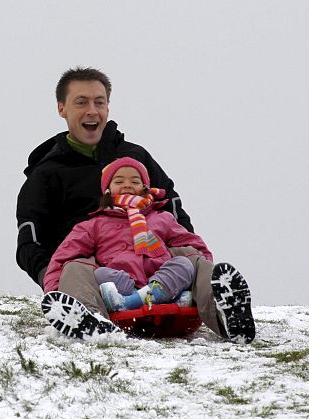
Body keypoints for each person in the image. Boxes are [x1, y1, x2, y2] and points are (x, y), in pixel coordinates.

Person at [16, 67, 254, 342]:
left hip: (156, 266)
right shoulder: (46, 174)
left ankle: (226, 317)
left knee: (193, 258)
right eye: (81, 102)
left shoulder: (136, 157)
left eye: (99, 101)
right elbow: (29, 240)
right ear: (62, 108)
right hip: (103, 276)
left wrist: (188, 252)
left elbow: (174, 215)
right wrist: (53, 284)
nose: (92, 110)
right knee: (74, 266)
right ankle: (88, 320)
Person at [43, 157, 212, 312]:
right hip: (121, 285)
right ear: (107, 190)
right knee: (91, 271)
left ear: (145, 188)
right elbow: (63, 257)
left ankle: (134, 302)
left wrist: (203, 268)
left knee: (184, 262)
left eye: (135, 181)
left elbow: (193, 243)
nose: (127, 184)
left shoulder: (161, 218)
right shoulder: (94, 224)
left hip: (159, 281)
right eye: (118, 181)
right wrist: (54, 293)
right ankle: (88, 317)